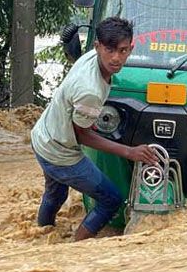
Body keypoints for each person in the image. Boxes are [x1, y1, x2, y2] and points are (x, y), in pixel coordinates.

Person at [30, 17, 158, 241]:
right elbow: (83, 135)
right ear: (98, 46)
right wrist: (129, 151)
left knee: (55, 193)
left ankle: (41, 236)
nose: (116, 58)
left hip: (43, 136)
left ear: (131, 49)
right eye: (110, 50)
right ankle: (77, 249)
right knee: (111, 199)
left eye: (122, 50)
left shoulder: (90, 57)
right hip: (60, 151)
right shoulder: (90, 91)